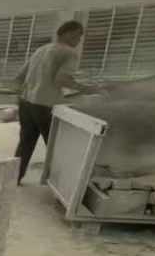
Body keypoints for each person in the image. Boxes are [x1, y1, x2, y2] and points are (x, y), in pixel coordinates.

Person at [14, 19, 96, 184]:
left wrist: (21, 95)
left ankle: (14, 178)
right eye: (79, 35)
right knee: (57, 146)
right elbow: (61, 79)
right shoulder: (68, 53)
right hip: (45, 106)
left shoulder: (41, 50)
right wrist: (86, 89)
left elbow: (19, 76)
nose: (79, 40)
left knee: (25, 143)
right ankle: (61, 184)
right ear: (70, 33)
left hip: (26, 102)